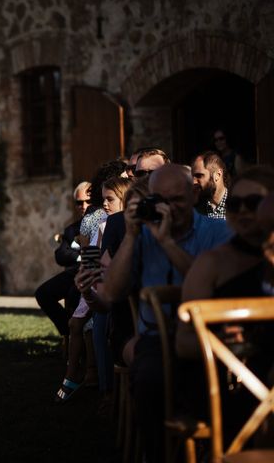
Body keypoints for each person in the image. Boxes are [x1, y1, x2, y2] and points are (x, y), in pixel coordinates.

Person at [99, 164, 232, 463]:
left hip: (208, 337)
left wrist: (166, 242)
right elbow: (110, 293)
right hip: (157, 337)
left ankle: (210, 448)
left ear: (193, 195)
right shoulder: (142, 235)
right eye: (162, 200)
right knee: (149, 377)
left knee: (213, 385)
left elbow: (212, 286)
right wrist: (132, 236)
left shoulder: (218, 232)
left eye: (178, 201)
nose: (170, 208)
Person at [177, 166, 274, 445]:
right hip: (225, 379)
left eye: (253, 203)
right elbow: (183, 343)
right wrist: (219, 341)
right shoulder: (212, 263)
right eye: (235, 204)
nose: (243, 211)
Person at [57, 176, 132, 402]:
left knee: (95, 323)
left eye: (110, 199)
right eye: (103, 199)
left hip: (116, 289)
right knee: (77, 321)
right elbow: (91, 263)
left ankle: (97, 382)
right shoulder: (101, 225)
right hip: (97, 285)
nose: (105, 204)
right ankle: (78, 378)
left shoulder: (130, 226)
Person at [34, 181, 89, 338]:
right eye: (79, 202)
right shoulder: (72, 229)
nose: (83, 205)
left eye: (87, 201)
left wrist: (76, 253)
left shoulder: (103, 222)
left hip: (92, 274)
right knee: (43, 294)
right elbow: (61, 255)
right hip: (74, 272)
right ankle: (71, 333)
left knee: (74, 294)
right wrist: (80, 256)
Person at [191, 151, 228, 219]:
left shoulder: (239, 204)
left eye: (199, 176)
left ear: (217, 175)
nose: (194, 182)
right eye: (192, 176)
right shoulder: (194, 209)